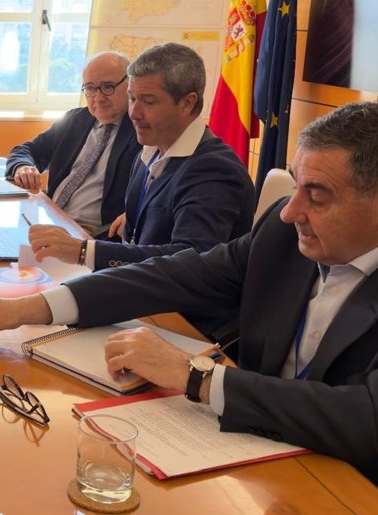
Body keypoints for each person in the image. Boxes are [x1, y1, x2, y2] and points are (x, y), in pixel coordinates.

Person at [0, 101, 378, 512]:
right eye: (296, 185)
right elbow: (176, 274)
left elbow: (369, 422)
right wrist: (29, 308)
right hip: (261, 456)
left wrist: (194, 377)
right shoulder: (286, 233)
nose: (289, 212)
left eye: (317, 195)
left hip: (376, 492)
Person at [29, 43, 254, 339]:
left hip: (185, 323)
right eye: (132, 98)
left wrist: (84, 251)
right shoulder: (151, 151)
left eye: (148, 101)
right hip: (143, 297)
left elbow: (190, 260)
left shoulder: (214, 170)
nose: (134, 112)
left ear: (187, 103)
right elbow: (142, 237)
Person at [6, 52, 141, 234]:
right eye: (90, 88)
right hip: (47, 215)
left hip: (92, 233)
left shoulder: (142, 131)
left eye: (107, 87)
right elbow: (26, 150)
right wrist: (22, 167)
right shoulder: (74, 120)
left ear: (130, 84)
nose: (98, 98)